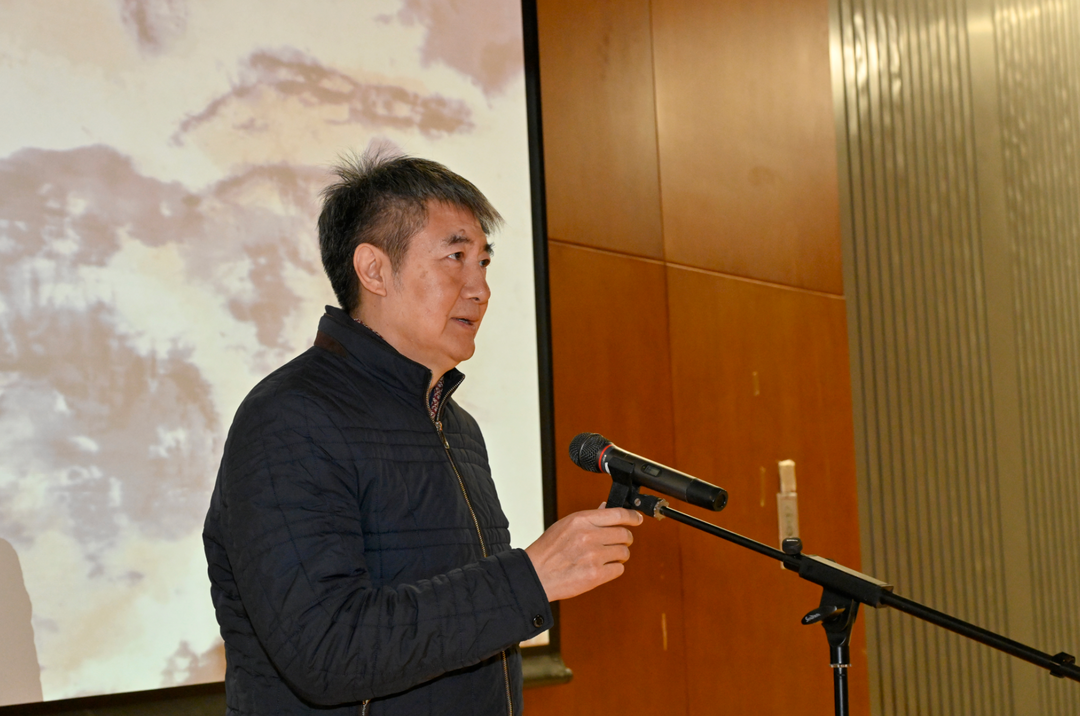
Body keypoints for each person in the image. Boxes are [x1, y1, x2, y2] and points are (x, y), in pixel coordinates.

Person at [203, 149, 642, 716]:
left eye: (484, 262)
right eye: (455, 257)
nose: (480, 288)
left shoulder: (459, 428)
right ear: (374, 270)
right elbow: (326, 651)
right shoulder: (290, 417)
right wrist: (528, 579)